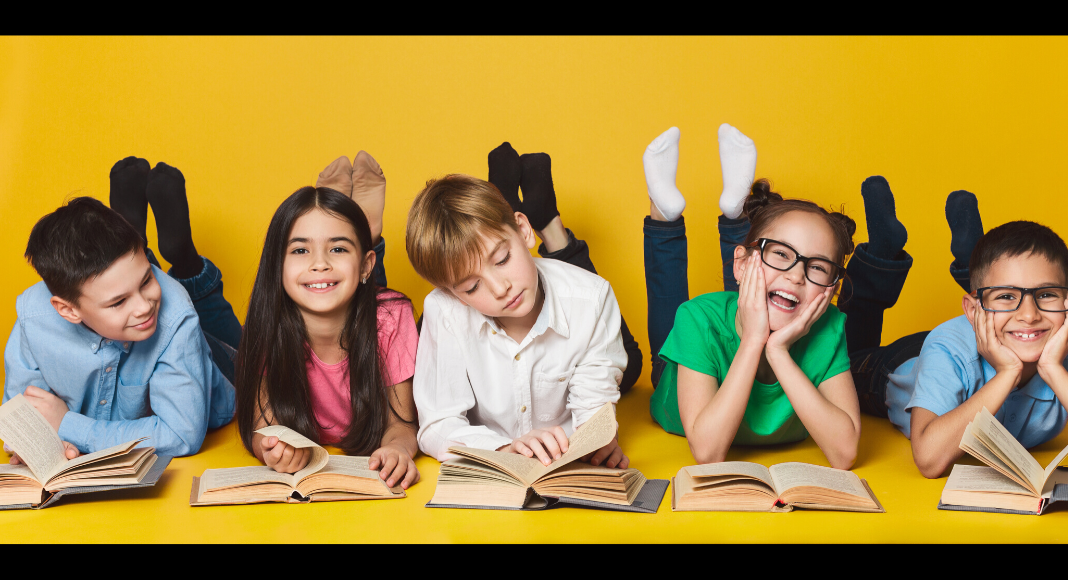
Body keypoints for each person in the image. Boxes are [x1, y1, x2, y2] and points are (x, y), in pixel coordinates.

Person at [643, 125, 861, 469]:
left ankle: (736, 210)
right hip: (678, 378)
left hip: (746, 322)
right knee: (676, 318)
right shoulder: (697, 319)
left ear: (831, 289)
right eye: (782, 254)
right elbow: (708, 453)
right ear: (740, 262)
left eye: (817, 267)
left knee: (759, 296)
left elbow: (845, 452)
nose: (796, 275)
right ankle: (665, 216)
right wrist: (754, 339)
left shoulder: (829, 328)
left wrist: (776, 350)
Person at [3, 158, 237, 460]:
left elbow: (181, 434)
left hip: (219, 366)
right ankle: (135, 236)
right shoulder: (34, 320)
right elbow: (26, 420)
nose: (144, 307)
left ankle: (183, 257)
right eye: (118, 302)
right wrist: (45, 446)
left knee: (243, 358)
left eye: (147, 280)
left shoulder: (173, 312)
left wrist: (67, 426)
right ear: (68, 310)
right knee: (133, 281)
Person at [407, 173, 629, 469]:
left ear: (524, 231)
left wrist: (599, 442)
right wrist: (501, 449)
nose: (501, 289)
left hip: (565, 459)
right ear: (455, 294)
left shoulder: (591, 297)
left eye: (502, 260)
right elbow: (437, 423)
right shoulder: (445, 310)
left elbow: (594, 410)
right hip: (496, 468)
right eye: (472, 287)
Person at [235, 167, 420, 490]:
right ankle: (362, 227)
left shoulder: (394, 317)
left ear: (366, 266)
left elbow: (402, 424)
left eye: (337, 248)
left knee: (370, 304)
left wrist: (398, 448)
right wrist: (272, 450)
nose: (319, 263)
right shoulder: (270, 321)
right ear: (276, 265)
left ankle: (368, 232)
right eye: (300, 250)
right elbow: (261, 427)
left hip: (369, 306)